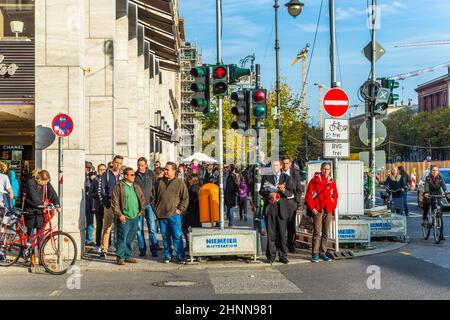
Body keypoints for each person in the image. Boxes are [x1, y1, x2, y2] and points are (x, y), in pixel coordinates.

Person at [151, 162, 189, 264]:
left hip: (174, 215)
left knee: (177, 235)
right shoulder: (159, 182)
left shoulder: (179, 183)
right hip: (161, 214)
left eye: (168, 170)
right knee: (165, 236)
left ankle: (180, 256)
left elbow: (185, 198)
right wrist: (156, 210)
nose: (165, 171)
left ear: (174, 171)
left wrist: (180, 209)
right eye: (165, 169)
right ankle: (167, 255)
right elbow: (152, 198)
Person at [260, 160, 295, 264]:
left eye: (276, 165)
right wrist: (269, 194)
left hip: (282, 209)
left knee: (282, 234)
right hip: (270, 208)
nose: (275, 167)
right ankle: (271, 256)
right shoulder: (267, 177)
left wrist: (283, 190)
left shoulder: (286, 178)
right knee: (271, 234)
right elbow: (261, 191)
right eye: (273, 165)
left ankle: (283, 255)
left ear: (280, 166)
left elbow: (290, 193)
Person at [111, 167, 146, 265]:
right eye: (131, 175)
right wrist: (120, 214)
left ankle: (129, 255)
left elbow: (142, 199)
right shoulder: (119, 186)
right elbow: (115, 202)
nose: (134, 176)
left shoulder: (136, 186)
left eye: (134, 174)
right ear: (125, 176)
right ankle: (120, 257)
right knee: (122, 237)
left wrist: (141, 210)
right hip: (124, 216)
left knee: (131, 237)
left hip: (135, 216)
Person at [305, 162, 338, 263]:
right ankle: (315, 254)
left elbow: (335, 196)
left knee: (326, 233)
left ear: (330, 170)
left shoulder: (331, 182)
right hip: (318, 211)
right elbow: (308, 196)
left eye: (327, 169)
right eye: (324, 169)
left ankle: (323, 252)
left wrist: (332, 207)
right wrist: (313, 208)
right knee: (316, 232)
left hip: (328, 211)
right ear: (321, 169)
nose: (325, 171)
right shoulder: (314, 181)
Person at [99, 155, 124, 259]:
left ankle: (120, 249)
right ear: (113, 162)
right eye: (116, 162)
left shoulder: (123, 175)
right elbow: (101, 190)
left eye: (120, 163)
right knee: (107, 228)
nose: (118, 165)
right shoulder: (106, 175)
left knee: (120, 228)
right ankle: (104, 249)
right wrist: (106, 203)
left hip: (121, 206)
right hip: (109, 205)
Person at [23, 170, 61, 237]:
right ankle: (29, 247)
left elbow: (53, 194)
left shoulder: (46, 184)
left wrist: (57, 205)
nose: (46, 183)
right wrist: (42, 205)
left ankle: (41, 247)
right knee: (31, 235)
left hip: (40, 213)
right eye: (45, 181)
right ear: (40, 179)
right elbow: (33, 196)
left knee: (41, 236)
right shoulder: (31, 182)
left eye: (47, 182)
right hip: (30, 212)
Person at [134, 157, 158, 257]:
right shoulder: (134, 175)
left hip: (149, 204)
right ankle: (142, 250)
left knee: (152, 228)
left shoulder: (151, 174)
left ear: (146, 165)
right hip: (138, 205)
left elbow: (156, 187)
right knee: (139, 229)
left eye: (142, 165)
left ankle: (154, 249)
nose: (140, 167)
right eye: (138, 165)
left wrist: (154, 200)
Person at [281, 156, 302, 253]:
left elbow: (299, 189)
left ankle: (291, 245)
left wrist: (297, 202)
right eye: (283, 163)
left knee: (291, 226)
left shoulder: (295, 173)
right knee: (282, 226)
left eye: (287, 163)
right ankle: (281, 246)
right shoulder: (278, 173)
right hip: (281, 202)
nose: (285, 165)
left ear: (290, 164)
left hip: (292, 202)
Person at [422, 165, 450, 232]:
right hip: (430, 193)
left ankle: (441, 234)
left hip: (438, 194)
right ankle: (425, 218)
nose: (435, 172)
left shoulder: (440, 177)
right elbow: (426, 186)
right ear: (431, 171)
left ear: (438, 171)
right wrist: (426, 193)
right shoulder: (428, 178)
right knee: (427, 204)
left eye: (436, 170)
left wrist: (446, 193)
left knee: (439, 213)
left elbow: (443, 185)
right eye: (433, 170)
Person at [182, 174, 201, 253]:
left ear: (193, 180)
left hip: (191, 212)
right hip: (196, 212)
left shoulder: (192, 189)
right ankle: (193, 245)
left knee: (185, 228)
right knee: (195, 229)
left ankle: (190, 245)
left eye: (189, 179)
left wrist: (185, 210)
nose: (187, 181)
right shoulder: (198, 188)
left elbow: (190, 201)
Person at [92, 163, 106, 253]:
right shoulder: (95, 180)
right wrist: (98, 193)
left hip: (107, 205)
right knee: (99, 226)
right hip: (98, 206)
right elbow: (90, 194)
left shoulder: (108, 179)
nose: (102, 171)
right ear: (97, 170)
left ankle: (107, 244)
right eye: (100, 169)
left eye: (103, 169)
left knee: (108, 226)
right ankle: (97, 244)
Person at [84, 162, 96, 246]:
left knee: (90, 221)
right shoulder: (81, 176)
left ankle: (89, 239)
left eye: (89, 168)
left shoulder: (92, 176)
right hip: (83, 201)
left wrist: (92, 175)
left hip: (90, 202)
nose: (88, 169)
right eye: (86, 168)